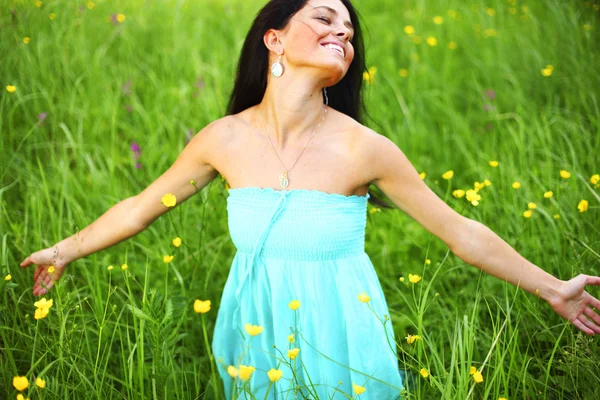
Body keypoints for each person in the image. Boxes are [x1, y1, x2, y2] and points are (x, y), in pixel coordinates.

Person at [19, 0, 600, 399]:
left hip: (343, 335)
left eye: (348, 30)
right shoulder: (223, 139)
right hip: (251, 328)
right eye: (324, 18)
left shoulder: (365, 149)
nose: (342, 31)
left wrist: (552, 287)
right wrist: (65, 250)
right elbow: (142, 207)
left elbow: (459, 232)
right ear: (274, 37)